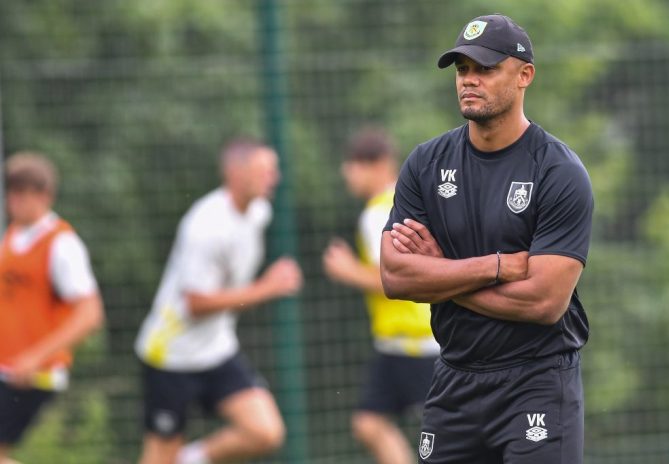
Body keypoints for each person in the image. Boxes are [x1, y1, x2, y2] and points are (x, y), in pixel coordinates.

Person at [380, 14, 593, 464]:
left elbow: (544, 302)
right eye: (462, 70)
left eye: (486, 69)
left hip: (536, 381)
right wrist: (495, 266)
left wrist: (440, 275)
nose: (469, 80)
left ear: (524, 75)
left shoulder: (558, 171)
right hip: (454, 379)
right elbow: (396, 278)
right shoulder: (425, 164)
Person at [135, 138, 303, 464]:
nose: (274, 178)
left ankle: (189, 459)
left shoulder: (259, 213)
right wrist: (267, 287)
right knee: (158, 457)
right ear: (235, 173)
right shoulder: (206, 225)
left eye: (274, 170)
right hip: (171, 356)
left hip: (216, 350)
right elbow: (195, 304)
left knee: (266, 432)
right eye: (264, 171)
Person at [323, 128, 438, 464]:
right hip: (398, 344)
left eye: (353, 165)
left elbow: (393, 278)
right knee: (369, 423)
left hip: (416, 342)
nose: (347, 173)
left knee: (448, 436)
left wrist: (347, 270)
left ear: (379, 164)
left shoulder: (378, 214)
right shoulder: (411, 201)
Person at [0, 152, 104, 464]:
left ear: (46, 195)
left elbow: (90, 314)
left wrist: (36, 356)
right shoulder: (13, 236)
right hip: (7, 368)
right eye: (12, 192)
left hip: (33, 374)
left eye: (25, 193)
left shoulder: (62, 244)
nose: (16, 201)